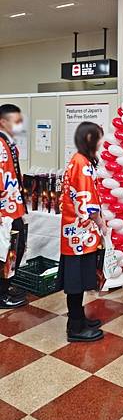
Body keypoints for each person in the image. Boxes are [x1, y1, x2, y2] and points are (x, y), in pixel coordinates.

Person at [59, 121, 106, 342]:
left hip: (74, 233)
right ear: (90, 139)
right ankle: (75, 328)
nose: (100, 143)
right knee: (76, 282)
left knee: (75, 280)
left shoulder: (77, 160)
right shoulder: (82, 163)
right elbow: (89, 202)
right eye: (98, 137)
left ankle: (78, 318)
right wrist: (101, 223)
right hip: (81, 233)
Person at [0, 104, 28, 309]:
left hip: (14, 207)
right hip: (4, 211)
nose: (20, 125)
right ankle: (1, 294)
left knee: (14, 249)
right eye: (16, 121)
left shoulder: (9, 144)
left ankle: (6, 286)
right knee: (6, 251)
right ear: (3, 122)